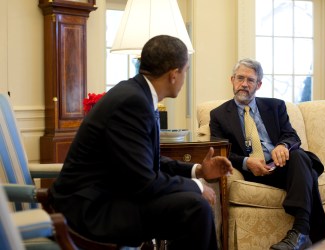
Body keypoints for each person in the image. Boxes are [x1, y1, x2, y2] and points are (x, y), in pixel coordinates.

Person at [49, 35, 233, 250]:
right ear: (174, 74)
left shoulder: (137, 93)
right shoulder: (133, 102)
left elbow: (147, 163)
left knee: (192, 203)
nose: (185, 77)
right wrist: (196, 186)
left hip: (109, 196)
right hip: (91, 210)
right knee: (195, 208)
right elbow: (144, 182)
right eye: (186, 70)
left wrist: (198, 171)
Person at [209, 58, 325, 250]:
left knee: (299, 155)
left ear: (258, 85)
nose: (244, 84)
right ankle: (306, 234)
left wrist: (283, 145)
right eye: (240, 78)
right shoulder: (218, 115)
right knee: (305, 166)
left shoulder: (275, 106)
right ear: (232, 80)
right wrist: (246, 162)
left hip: (281, 166)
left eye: (250, 80)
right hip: (254, 171)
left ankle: (299, 232)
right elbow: (221, 150)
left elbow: (291, 136)